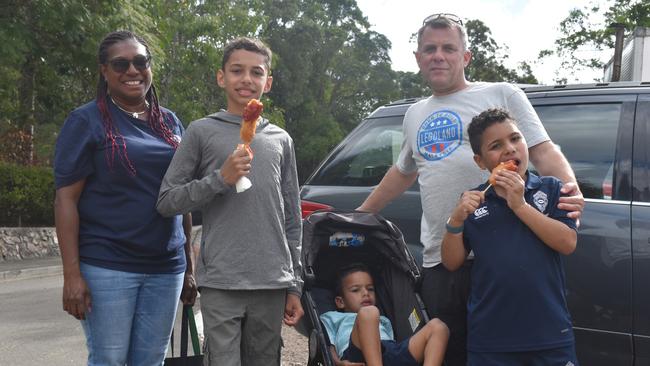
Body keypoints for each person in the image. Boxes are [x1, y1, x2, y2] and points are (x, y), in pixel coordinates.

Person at [357, 13, 585, 366]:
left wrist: (572, 191)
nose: (438, 55)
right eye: (429, 49)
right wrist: (358, 216)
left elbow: (540, 148)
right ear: (418, 58)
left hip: (501, 256)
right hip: (443, 260)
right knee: (447, 354)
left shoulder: (502, 94)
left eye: (449, 48)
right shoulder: (415, 113)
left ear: (465, 56)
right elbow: (403, 173)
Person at [156, 37, 303, 366]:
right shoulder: (201, 131)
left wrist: (295, 285)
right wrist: (219, 179)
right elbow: (167, 200)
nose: (246, 79)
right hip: (222, 280)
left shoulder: (281, 139)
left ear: (269, 82)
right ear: (221, 77)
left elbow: (292, 219)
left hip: (272, 280)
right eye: (237, 70)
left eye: (256, 72)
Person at [53, 30, 197, 366]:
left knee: (151, 360)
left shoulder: (171, 122)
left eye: (140, 61)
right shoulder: (85, 121)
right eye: (121, 63)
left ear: (150, 66)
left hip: (166, 267)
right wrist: (71, 275)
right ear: (104, 71)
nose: (132, 70)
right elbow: (66, 201)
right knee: (110, 360)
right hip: (107, 264)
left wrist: (190, 265)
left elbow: (182, 196)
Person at [441, 108, 578, 365]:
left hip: (549, 335)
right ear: (480, 162)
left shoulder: (551, 189)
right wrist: (456, 220)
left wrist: (520, 206)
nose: (510, 149)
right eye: (496, 145)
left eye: (515, 139)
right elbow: (451, 262)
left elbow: (567, 243)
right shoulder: (475, 199)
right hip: (491, 339)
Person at [320, 263, 449, 366]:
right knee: (369, 312)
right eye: (356, 290)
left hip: (389, 351)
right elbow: (327, 345)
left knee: (439, 327)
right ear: (340, 302)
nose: (366, 293)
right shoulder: (332, 317)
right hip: (356, 355)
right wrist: (338, 363)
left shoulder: (382, 318)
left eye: (370, 289)